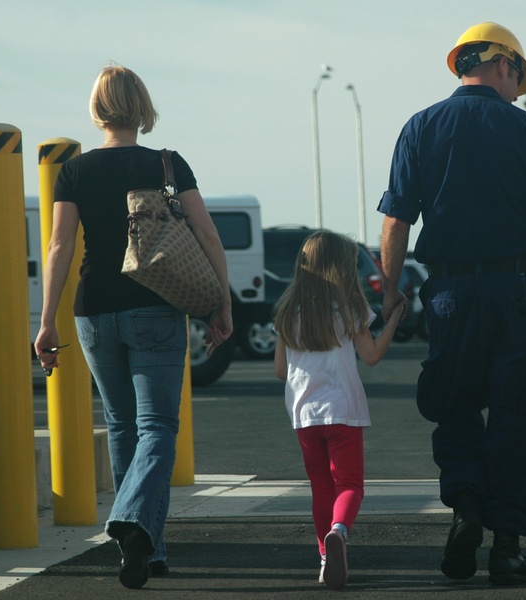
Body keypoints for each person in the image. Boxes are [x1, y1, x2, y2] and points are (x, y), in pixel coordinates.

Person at [376, 22, 526, 586]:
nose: (519, 90)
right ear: (502, 64)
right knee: (521, 408)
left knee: (453, 402)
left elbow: (396, 220)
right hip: (516, 291)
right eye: (519, 78)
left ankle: (467, 506)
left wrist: (390, 292)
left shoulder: (419, 128)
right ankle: (506, 544)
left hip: (448, 293)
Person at [34, 64, 233, 590]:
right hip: (155, 308)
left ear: (98, 109)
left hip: (92, 310)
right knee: (158, 428)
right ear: (141, 107)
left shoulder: (73, 171)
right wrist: (222, 301)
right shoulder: (165, 164)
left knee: (124, 427)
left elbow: (58, 247)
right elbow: (207, 234)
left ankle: (146, 546)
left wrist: (46, 320)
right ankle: (132, 522)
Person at [272, 230, 407, 590]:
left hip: (303, 414)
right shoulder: (350, 307)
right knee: (349, 484)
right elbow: (372, 355)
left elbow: (282, 370)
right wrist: (392, 320)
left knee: (321, 487)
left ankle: (323, 557)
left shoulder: (286, 310)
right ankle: (340, 531)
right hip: (343, 410)